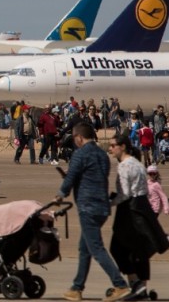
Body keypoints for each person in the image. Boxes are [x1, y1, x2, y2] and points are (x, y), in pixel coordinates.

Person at [54, 123, 130, 302]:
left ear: (79, 137)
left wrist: (60, 194)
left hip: (88, 207)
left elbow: (71, 177)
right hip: (102, 206)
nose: (74, 142)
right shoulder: (102, 154)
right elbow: (94, 175)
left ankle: (119, 284)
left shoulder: (80, 154)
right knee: (84, 248)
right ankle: (77, 288)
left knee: (96, 248)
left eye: (74, 138)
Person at [108, 135, 168, 300]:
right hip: (142, 208)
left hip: (129, 210)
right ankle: (139, 287)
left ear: (123, 147)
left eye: (113, 145)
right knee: (137, 250)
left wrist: (109, 203)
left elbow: (125, 194)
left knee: (119, 249)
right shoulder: (138, 164)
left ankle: (136, 286)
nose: (110, 148)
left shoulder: (125, 166)